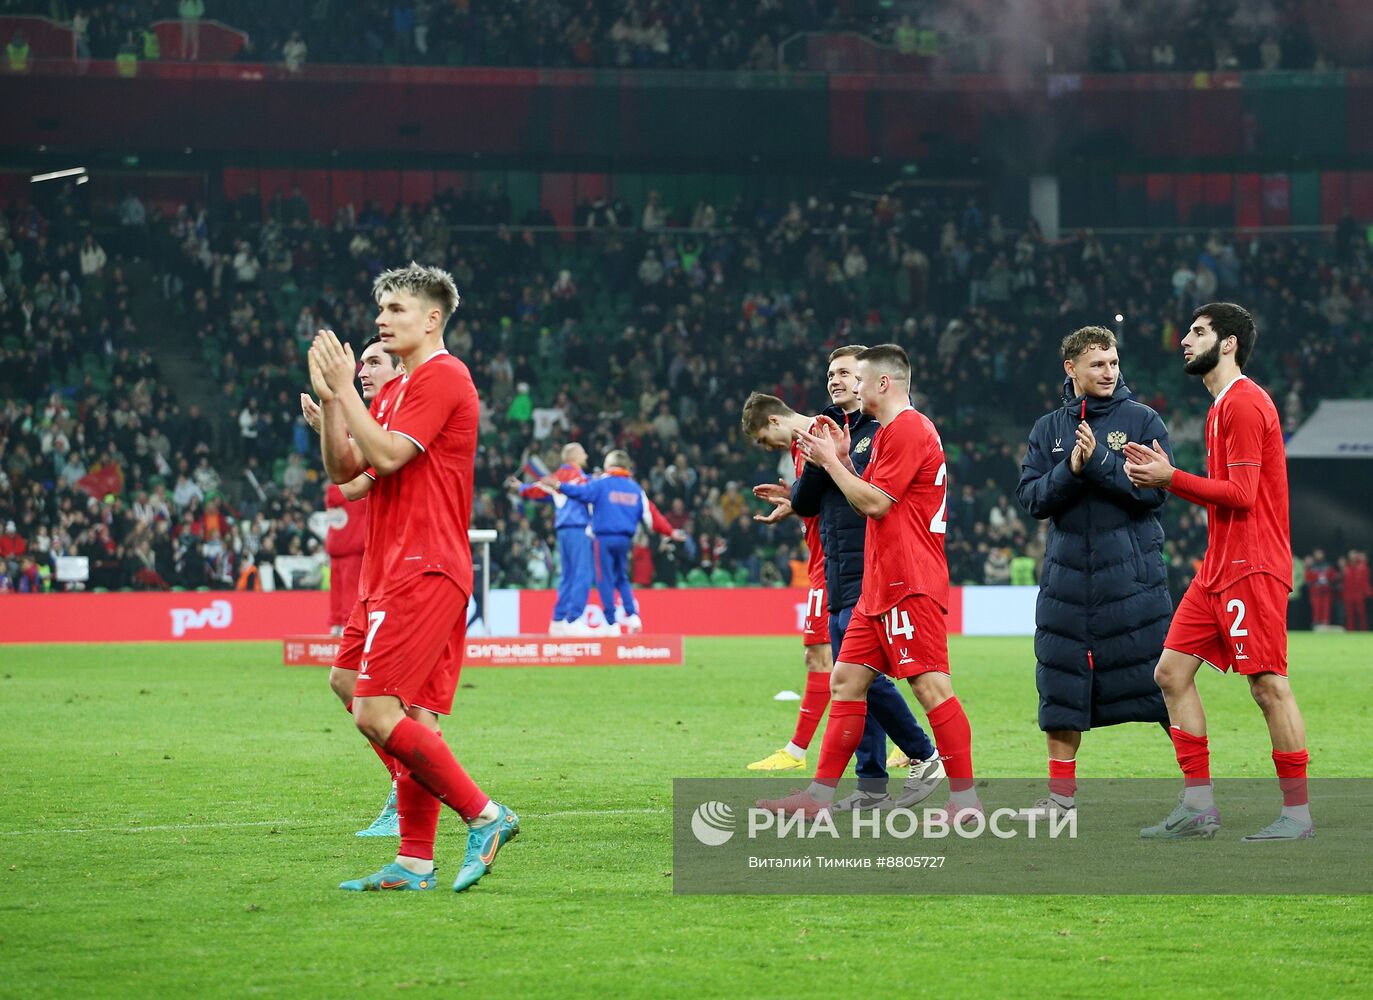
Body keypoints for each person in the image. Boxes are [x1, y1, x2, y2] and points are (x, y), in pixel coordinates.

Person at [310, 262, 519, 892]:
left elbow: (390, 455)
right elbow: (348, 471)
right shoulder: (397, 391)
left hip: (423, 566)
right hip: (392, 568)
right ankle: (414, 860)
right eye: (381, 309)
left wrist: (347, 392)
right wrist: (332, 404)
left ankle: (486, 815)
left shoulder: (443, 377)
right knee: (366, 692)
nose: (381, 320)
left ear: (432, 318)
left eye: (396, 309)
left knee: (375, 712)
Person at [759, 344, 977, 823]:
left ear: (881, 383)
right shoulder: (888, 435)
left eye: (857, 378)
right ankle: (818, 799)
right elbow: (866, 497)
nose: (849, 386)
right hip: (878, 583)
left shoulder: (907, 429)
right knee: (846, 681)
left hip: (908, 578)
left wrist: (832, 463)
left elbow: (876, 504)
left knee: (932, 688)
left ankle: (965, 801)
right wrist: (842, 461)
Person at [1125, 302, 1313, 840]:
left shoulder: (1246, 404)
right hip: (1218, 567)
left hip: (1252, 564)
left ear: (1227, 343)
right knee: (1170, 673)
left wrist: (1169, 478)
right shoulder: (1219, 408)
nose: (1185, 339)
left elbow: (1243, 494)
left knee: (1268, 686)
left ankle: (1297, 815)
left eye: (1199, 331)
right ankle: (1198, 806)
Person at [1017, 325, 1172, 819]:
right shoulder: (1048, 429)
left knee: (1165, 684)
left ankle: (1199, 793)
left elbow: (1154, 493)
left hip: (1133, 581)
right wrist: (1071, 469)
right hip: (1065, 584)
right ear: (1072, 369)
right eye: (1097, 364)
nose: (1109, 372)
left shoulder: (1144, 420)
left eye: (1113, 362)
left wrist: (1100, 460)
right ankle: (1061, 800)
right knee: (1060, 683)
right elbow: (1033, 498)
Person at [302, 335, 403, 837]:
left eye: (374, 361)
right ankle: (404, 786)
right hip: (375, 574)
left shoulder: (410, 410)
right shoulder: (379, 422)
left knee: (395, 703)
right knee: (344, 680)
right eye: (360, 362)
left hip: (409, 575)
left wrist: (342, 412)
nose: (363, 369)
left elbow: (376, 464)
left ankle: (463, 810)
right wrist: (331, 420)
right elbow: (349, 483)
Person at [739, 392, 837, 773]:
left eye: (764, 438)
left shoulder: (817, 437)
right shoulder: (802, 448)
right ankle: (911, 744)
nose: (766, 447)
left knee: (819, 655)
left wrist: (798, 499)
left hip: (830, 564)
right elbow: (821, 498)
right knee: (858, 660)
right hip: (822, 559)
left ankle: (796, 752)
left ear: (776, 421)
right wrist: (794, 500)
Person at [541, 450, 684, 634]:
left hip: (603, 538)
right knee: (622, 578)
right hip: (625, 540)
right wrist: (670, 531)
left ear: (609, 465)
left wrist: (560, 485)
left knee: (604, 580)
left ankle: (611, 623)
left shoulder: (601, 484)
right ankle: (633, 617)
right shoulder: (634, 488)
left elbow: (580, 492)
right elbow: (652, 515)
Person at [506, 442, 595, 635]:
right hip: (578, 528)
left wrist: (522, 488)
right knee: (582, 574)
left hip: (563, 531)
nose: (586, 455)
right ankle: (574, 620)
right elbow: (590, 491)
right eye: (583, 452)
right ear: (574, 457)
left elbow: (538, 490)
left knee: (568, 576)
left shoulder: (557, 477)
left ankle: (558, 620)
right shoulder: (578, 477)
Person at [1304, 549, 1334, 627]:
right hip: (1315, 591)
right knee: (1316, 608)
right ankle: (1316, 623)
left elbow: (1333, 577)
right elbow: (1307, 579)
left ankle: (1325, 623)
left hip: (1326, 590)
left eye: (1320, 554)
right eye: (1317, 554)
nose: (1319, 556)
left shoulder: (1328, 566)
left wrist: (1329, 582)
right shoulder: (1311, 567)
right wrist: (1314, 582)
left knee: (1326, 608)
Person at [1343, 550, 1368, 632]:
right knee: (1349, 614)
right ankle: (1350, 630)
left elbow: (1365, 581)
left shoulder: (1362, 567)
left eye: (1354, 555)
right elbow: (1344, 581)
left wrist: (1366, 592)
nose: (1353, 557)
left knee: (1361, 613)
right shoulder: (1346, 567)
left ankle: (1363, 630)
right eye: (1351, 555)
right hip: (1348, 594)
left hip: (1359, 593)